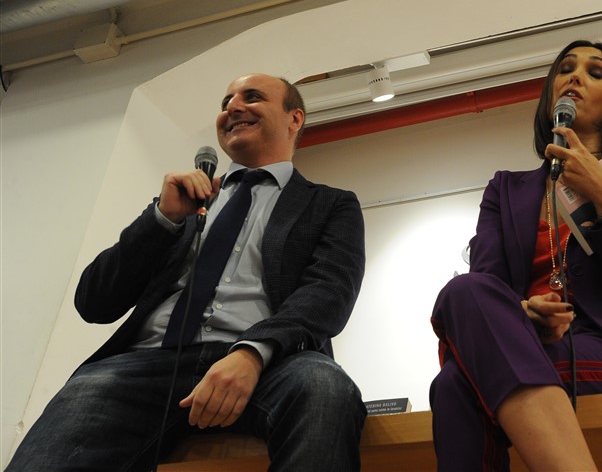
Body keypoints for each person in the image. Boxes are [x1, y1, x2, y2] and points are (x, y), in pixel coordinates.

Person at [8, 74, 367, 471]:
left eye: (252, 97)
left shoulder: (330, 205)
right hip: (144, 366)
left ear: (294, 118)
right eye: (226, 102)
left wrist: (252, 353)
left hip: (271, 366)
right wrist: (161, 220)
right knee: (73, 411)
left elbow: (328, 293)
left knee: (324, 387)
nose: (232, 107)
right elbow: (94, 301)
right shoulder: (183, 202)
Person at [429, 40, 602, 471]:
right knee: (463, 291)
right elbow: (488, 293)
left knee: (455, 384)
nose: (574, 77)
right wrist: (526, 312)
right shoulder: (505, 189)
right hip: (525, 341)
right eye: (565, 69)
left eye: (594, 72)